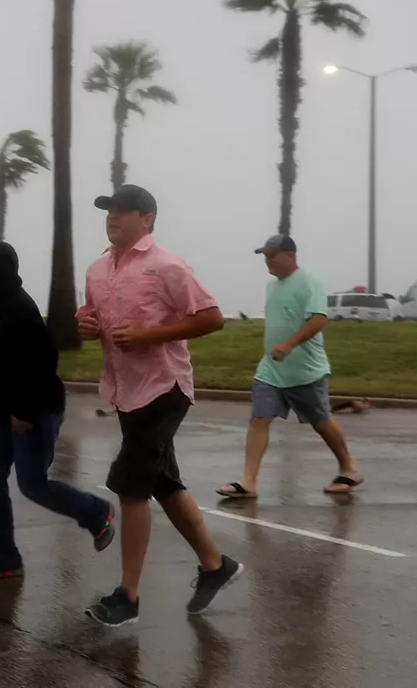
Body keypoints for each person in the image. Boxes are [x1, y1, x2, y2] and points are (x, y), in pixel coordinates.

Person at [76, 184, 242, 627]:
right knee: (163, 483)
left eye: (123, 211)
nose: (112, 217)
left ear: (146, 219)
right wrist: (86, 324)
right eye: (108, 210)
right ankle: (215, 565)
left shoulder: (166, 264)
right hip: (124, 390)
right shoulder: (96, 269)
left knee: (131, 486)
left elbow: (211, 317)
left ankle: (127, 597)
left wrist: (150, 335)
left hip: (164, 388)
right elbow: (90, 314)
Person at [0, 241, 115, 582]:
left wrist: (22, 411)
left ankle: (96, 512)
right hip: (1, 414)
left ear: (0, 275)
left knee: (33, 484)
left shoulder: (21, 310)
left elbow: (42, 364)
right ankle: (2, 559)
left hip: (31, 413)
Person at [217, 235, 363, 500]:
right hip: (271, 370)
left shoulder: (310, 282)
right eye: (265, 256)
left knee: (321, 421)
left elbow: (319, 320)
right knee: (259, 419)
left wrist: (289, 344)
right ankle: (248, 482)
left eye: (272, 255)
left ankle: (349, 468)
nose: (267, 261)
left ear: (290, 255)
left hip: (306, 370)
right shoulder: (271, 287)